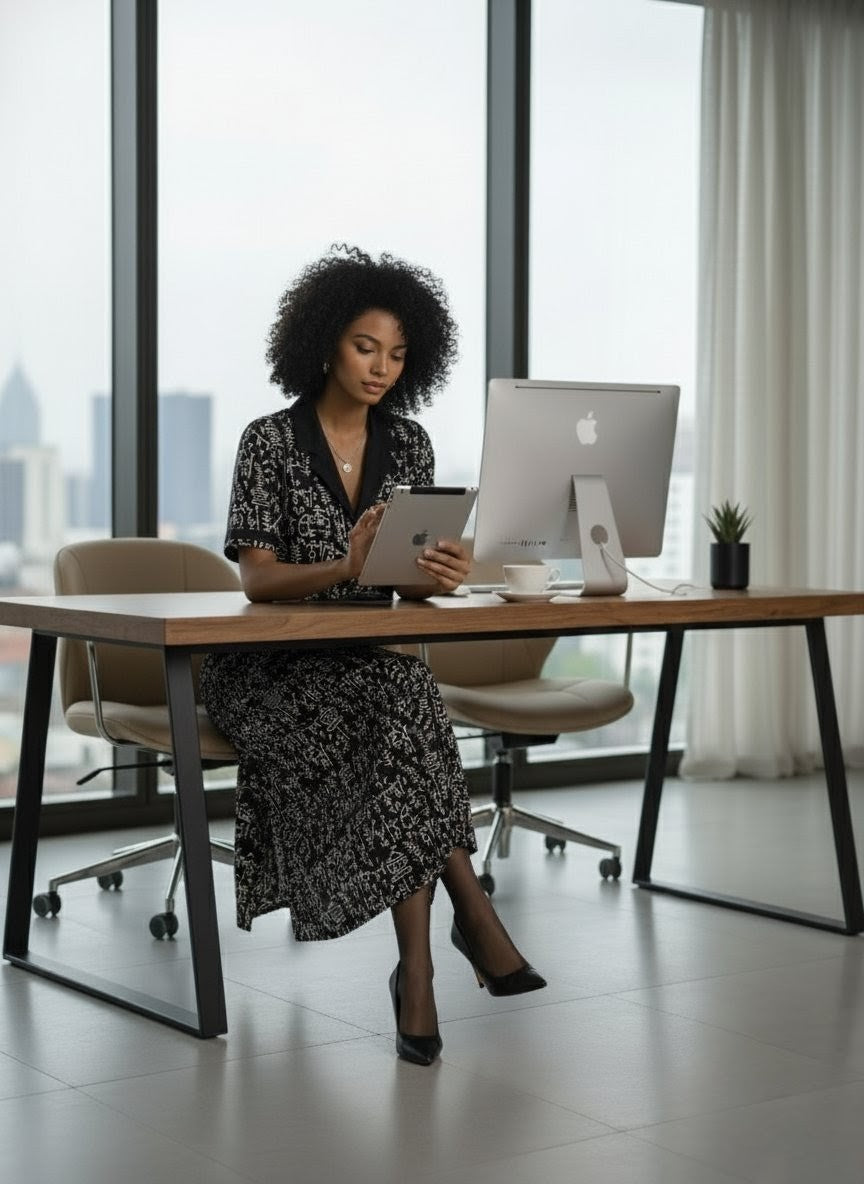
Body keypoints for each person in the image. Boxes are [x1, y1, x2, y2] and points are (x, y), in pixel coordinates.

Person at [200, 245, 545, 1066]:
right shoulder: (269, 441)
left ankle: (421, 970)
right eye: (366, 347)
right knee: (407, 704)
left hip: (367, 662)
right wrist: (345, 568)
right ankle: (465, 927)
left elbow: (403, 591)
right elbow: (258, 581)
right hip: (266, 670)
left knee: (400, 700)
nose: (382, 367)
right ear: (324, 343)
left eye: (397, 353)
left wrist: (441, 578)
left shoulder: (411, 445)